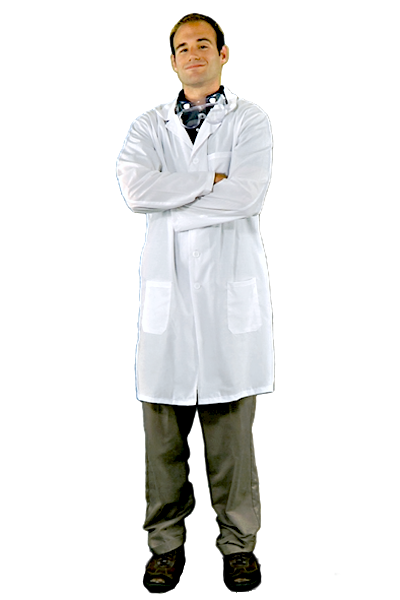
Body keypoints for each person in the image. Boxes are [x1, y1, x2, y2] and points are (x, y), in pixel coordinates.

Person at [116, 12, 274, 594]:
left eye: (203, 44)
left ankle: (239, 548)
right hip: (169, 303)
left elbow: (248, 194)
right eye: (183, 47)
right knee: (161, 443)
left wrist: (175, 201)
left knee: (232, 442)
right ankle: (165, 547)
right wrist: (212, 180)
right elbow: (136, 190)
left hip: (230, 303)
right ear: (173, 60)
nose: (193, 54)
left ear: (223, 54)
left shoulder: (250, 120)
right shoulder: (147, 126)